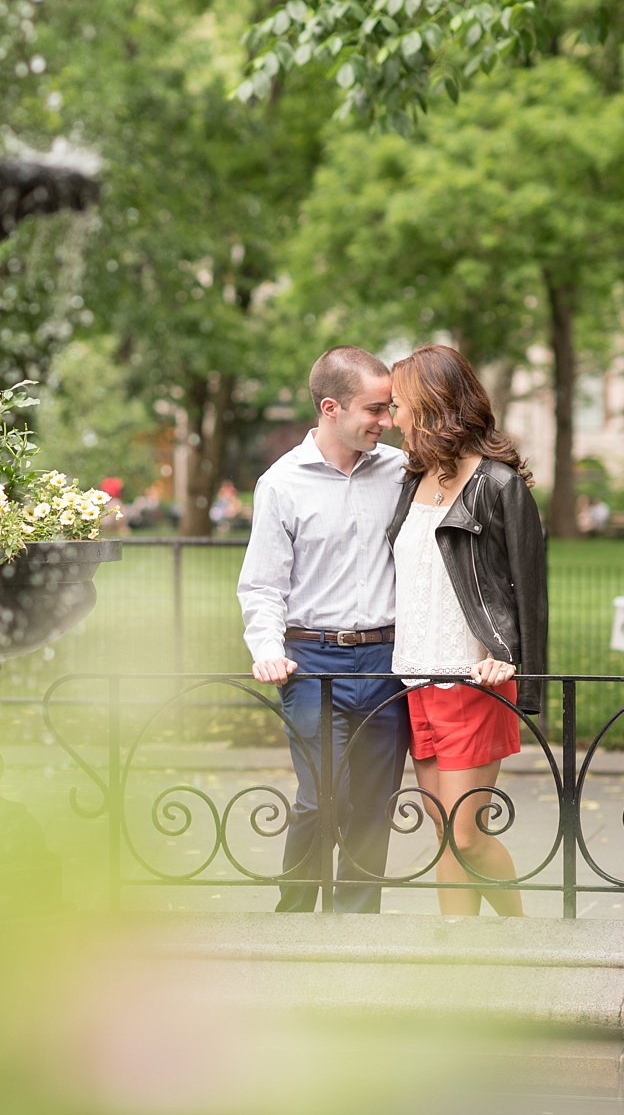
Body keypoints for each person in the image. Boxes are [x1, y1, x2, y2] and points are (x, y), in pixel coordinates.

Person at [237, 345, 409, 913]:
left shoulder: (401, 471)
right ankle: (293, 923)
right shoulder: (281, 483)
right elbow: (262, 585)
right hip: (311, 664)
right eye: (376, 409)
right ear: (331, 407)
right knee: (321, 798)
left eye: (389, 409)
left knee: (373, 803)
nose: (387, 422)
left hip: (386, 663)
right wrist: (266, 649)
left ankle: (354, 933)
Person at [385, 344, 547, 917]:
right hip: (416, 677)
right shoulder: (413, 480)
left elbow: (529, 590)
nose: (391, 418)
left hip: (473, 679)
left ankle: (516, 936)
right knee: (442, 828)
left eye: (399, 405)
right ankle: (459, 958)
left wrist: (511, 656)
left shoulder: (500, 486)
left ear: (431, 407)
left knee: (465, 831)